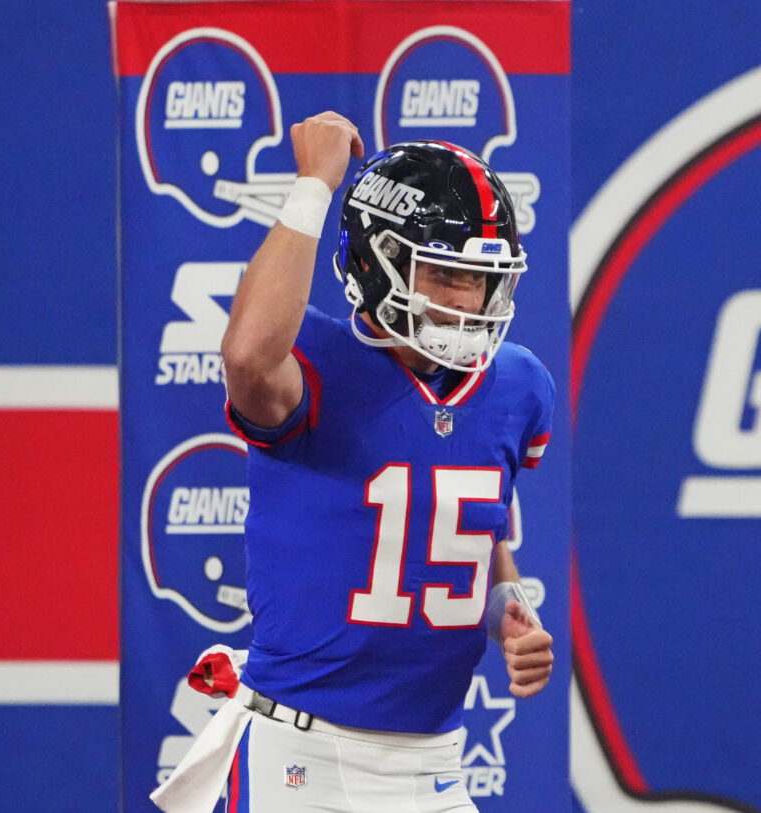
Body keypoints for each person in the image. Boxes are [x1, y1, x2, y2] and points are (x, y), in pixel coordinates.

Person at [151, 111, 556, 813]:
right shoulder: (315, 361)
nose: (465, 300)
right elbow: (247, 357)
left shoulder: (519, 386)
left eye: (478, 278)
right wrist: (314, 185)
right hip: (302, 755)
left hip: (435, 760)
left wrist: (507, 607)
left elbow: (470, 526)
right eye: (442, 270)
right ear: (376, 261)